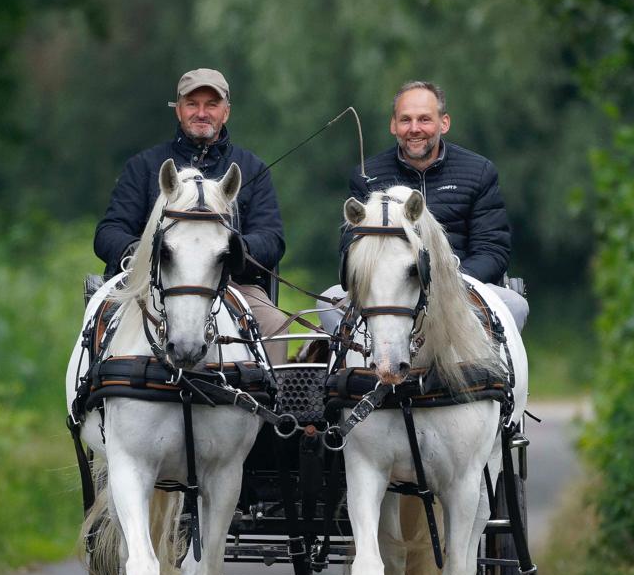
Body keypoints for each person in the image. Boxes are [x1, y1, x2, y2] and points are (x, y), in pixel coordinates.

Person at [95, 68, 289, 363]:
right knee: (100, 319)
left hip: (232, 286)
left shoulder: (253, 169)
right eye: (192, 104)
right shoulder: (144, 166)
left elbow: (272, 238)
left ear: (226, 112)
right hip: (152, 285)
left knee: (275, 323)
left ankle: (276, 406)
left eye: (211, 104)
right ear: (179, 111)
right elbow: (110, 231)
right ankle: (90, 398)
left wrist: (233, 250)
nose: (202, 113)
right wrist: (140, 252)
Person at [328, 80, 529, 333]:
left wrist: (447, 284)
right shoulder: (366, 175)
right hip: (386, 292)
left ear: (444, 123)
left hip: (460, 288)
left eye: (424, 119)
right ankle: (362, 370)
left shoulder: (479, 171)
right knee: (328, 302)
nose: (414, 129)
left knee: (515, 305)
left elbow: (493, 249)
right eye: (405, 120)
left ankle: (486, 373)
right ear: (393, 125)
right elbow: (349, 246)